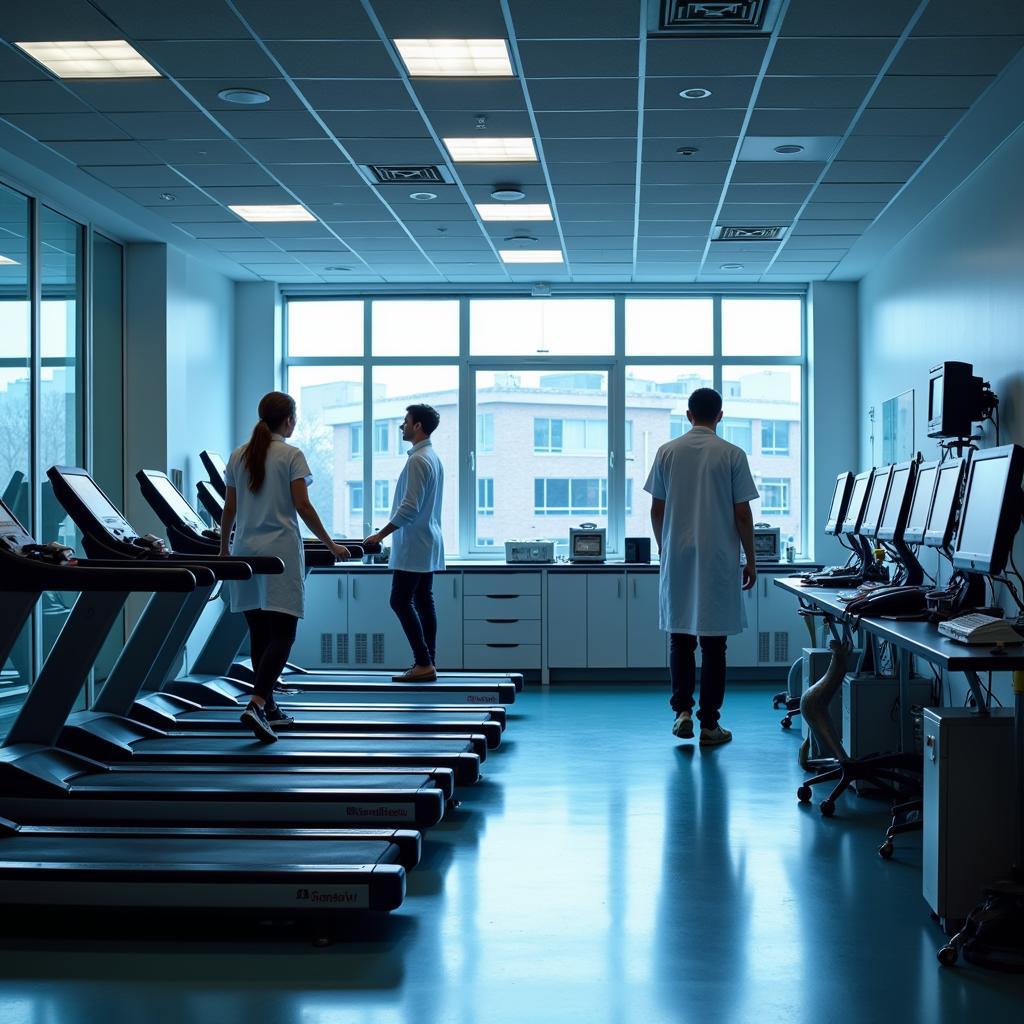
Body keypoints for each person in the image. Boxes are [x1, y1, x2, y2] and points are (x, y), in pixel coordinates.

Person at [220, 391, 350, 742]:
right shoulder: (291, 455)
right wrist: (331, 544)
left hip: (246, 552)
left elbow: (228, 509)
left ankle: (270, 708)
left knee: (260, 634)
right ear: (289, 420)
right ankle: (257, 703)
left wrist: (224, 550)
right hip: (279, 554)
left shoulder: (238, 455)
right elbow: (303, 507)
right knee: (284, 633)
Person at [644, 387, 759, 747]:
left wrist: (665, 548)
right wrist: (751, 560)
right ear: (720, 416)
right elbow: (742, 512)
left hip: (677, 555)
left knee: (680, 637)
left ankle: (682, 713)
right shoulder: (732, 454)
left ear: (689, 415)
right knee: (714, 644)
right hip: (717, 558)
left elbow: (656, 510)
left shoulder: (667, 452)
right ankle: (710, 724)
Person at [364, 404, 444, 682]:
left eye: (405, 421)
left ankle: (423, 662)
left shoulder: (418, 461)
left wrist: (379, 535)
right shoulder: (431, 457)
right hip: (426, 541)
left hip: (415, 542)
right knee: (423, 600)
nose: (402, 426)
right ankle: (428, 662)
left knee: (399, 601)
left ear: (418, 426)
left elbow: (410, 507)